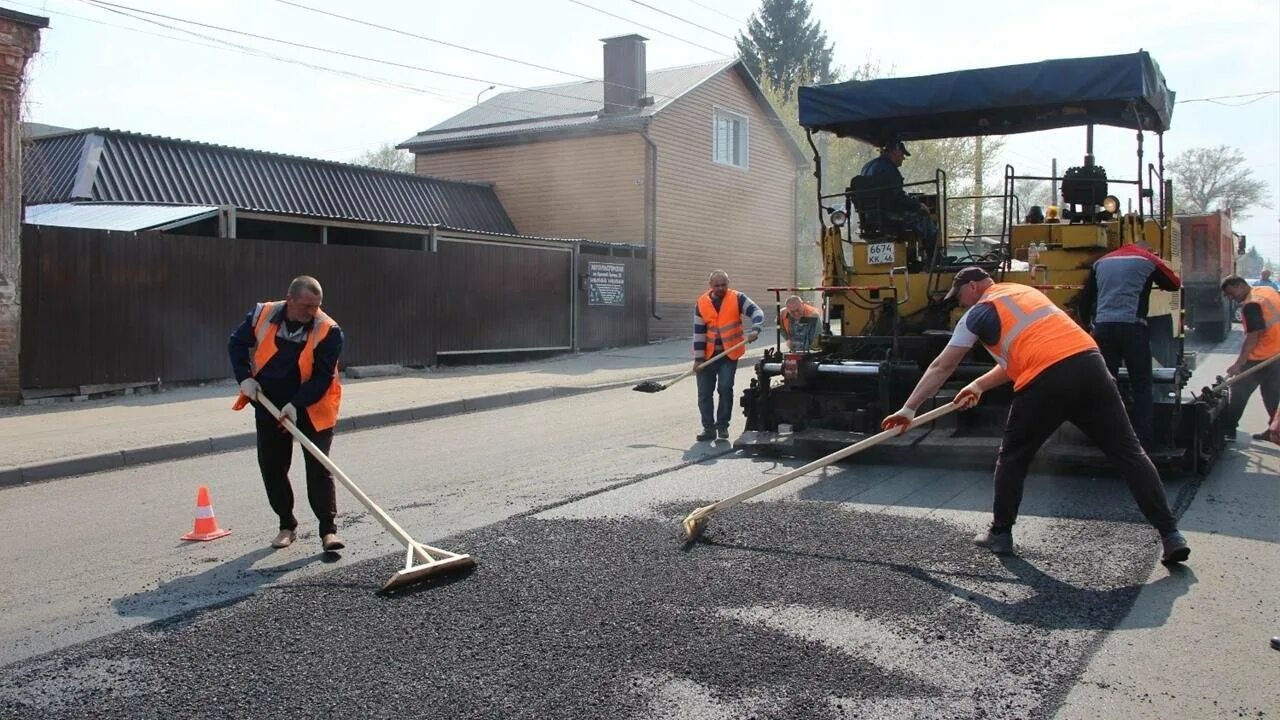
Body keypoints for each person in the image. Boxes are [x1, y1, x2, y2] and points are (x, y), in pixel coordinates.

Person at [880, 267, 1190, 564]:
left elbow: (941, 366)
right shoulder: (1024, 293)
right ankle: (1170, 534)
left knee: (1014, 456)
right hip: (1091, 366)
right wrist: (978, 385)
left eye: (959, 295)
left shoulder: (980, 311)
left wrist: (909, 408)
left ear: (973, 286)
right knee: (1129, 453)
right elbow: (1027, 351)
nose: (959, 302)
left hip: (1046, 380)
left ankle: (1000, 533)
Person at [229, 275, 346, 552]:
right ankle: (286, 525)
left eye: (316, 305)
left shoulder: (328, 330)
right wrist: (244, 378)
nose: (312, 312)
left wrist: (296, 405)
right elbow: (236, 343)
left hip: (312, 405)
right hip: (269, 402)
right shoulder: (264, 314)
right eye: (306, 305)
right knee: (272, 466)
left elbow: (321, 377)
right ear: (290, 299)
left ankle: (328, 531)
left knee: (318, 467)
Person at [1078, 242, 1182, 447]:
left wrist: (1088, 326)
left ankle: (1102, 437)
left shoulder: (1100, 263)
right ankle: (1144, 440)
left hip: (1103, 329)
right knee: (1142, 385)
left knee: (1105, 385)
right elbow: (1174, 283)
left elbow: (1084, 299)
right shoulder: (1147, 259)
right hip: (1133, 328)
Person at [693, 270, 765, 441]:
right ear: (710, 286)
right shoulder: (702, 302)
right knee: (704, 393)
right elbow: (699, 333)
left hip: (729, 355)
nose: (720, 288)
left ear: (728, 283)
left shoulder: (737, 298)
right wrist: (698, 358)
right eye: (717, 285)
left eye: (723, 285)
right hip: (708, 356)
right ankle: (708, 428)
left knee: (725, 389)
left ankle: (722, 426)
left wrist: (756, 328)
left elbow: (757, 312)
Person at [1219, 275, 1280, 442]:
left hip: (1263, 355)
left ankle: (1228, 430)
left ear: (1239, 285)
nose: (1232, 298)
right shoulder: (1266, 290)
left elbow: (1253, 336)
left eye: (1232, 294)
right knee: (1271, 394)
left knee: (1239, 391)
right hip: (1276, 351)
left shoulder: (1251, 305)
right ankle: (1275, 431)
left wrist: (1238, 364)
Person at [858, 139, 938, 256]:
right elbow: (898, 198)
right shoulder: (889, 170)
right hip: (888, 216)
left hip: (868, 217)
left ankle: (910, 256)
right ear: (895, 151)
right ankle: (934, 260)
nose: (903, 158)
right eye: (902, 154)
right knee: (924, 219)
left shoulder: (867, 167)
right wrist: (918, 206)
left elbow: (888, 194)